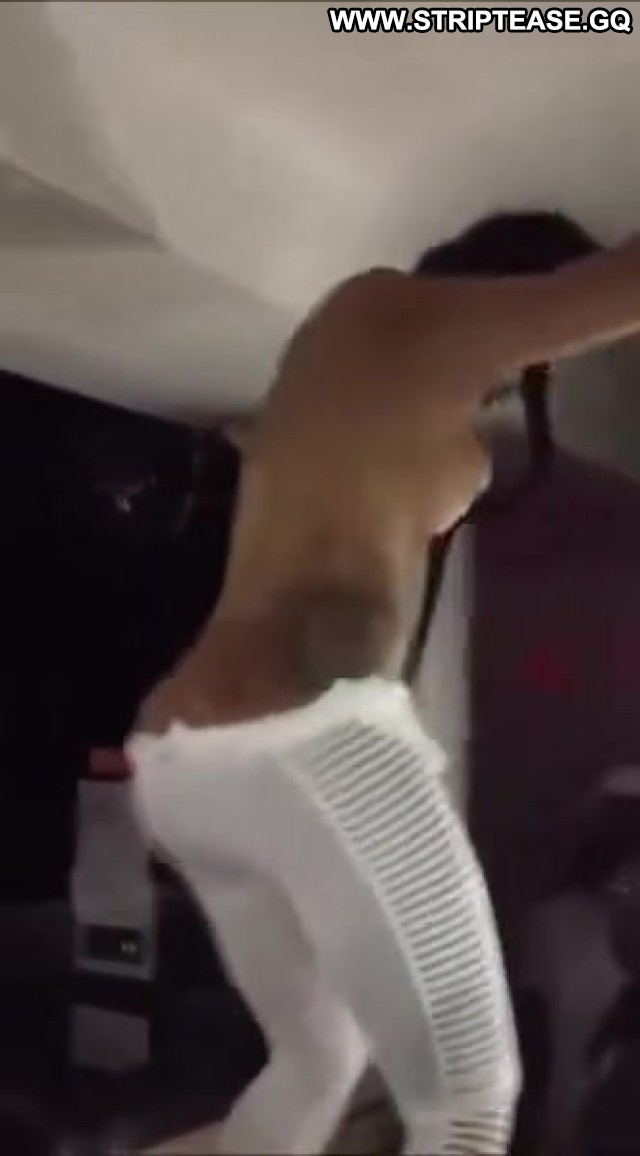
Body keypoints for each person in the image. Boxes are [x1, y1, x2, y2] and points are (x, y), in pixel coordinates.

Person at [128, 242, 640, 1155]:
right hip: (312, 746)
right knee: (471, 1105)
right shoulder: (401, 318)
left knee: (319, 1063)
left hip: (193, 763)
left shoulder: (369, 375)